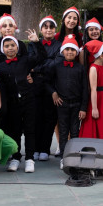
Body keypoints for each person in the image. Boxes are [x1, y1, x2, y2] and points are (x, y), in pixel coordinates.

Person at [0, 31, 45, 173]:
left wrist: (36, 42)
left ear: (17, 48)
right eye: (7, 46)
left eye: (13, 45)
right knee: (15, 131)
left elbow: (42, 57)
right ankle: (16, 157)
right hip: (12, 103)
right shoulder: (0, 67)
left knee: (30, 130)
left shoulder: (25, 60)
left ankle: (29, 158)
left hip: (28, 100)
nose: (10, 48)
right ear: (3, 49)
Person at [47, 35, 88, 162]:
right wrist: (53, 92)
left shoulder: (80, 68)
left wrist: (83, 108)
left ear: (76, 52)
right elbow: (47, 82)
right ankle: (64, 156)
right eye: (67, 49)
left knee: (75, 131)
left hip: (76, 105)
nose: (70, 52)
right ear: (63, 51)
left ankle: (74, 155)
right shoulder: (56, 66)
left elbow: (85, 89)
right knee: (63, 131)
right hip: (62, 104)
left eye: (72, 50)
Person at [33, 15, 62, 161]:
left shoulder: (60, 45)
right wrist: (46, 62)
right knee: (36, 117)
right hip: (36, 87)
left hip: (53, 87)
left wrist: (40, 67)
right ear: (41, 30)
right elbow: (32, 63)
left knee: (50, 119)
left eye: (51, 27)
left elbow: (56, 65)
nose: (49, 29)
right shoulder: (33, 44)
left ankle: (45, 149)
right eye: (46, 27)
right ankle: (36, 148)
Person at [80, 40, 103, 139]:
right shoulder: (93, 68)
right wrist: (95, 108)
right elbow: (93, 89)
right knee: (96, 124)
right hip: (97, 99)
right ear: (101, 55)